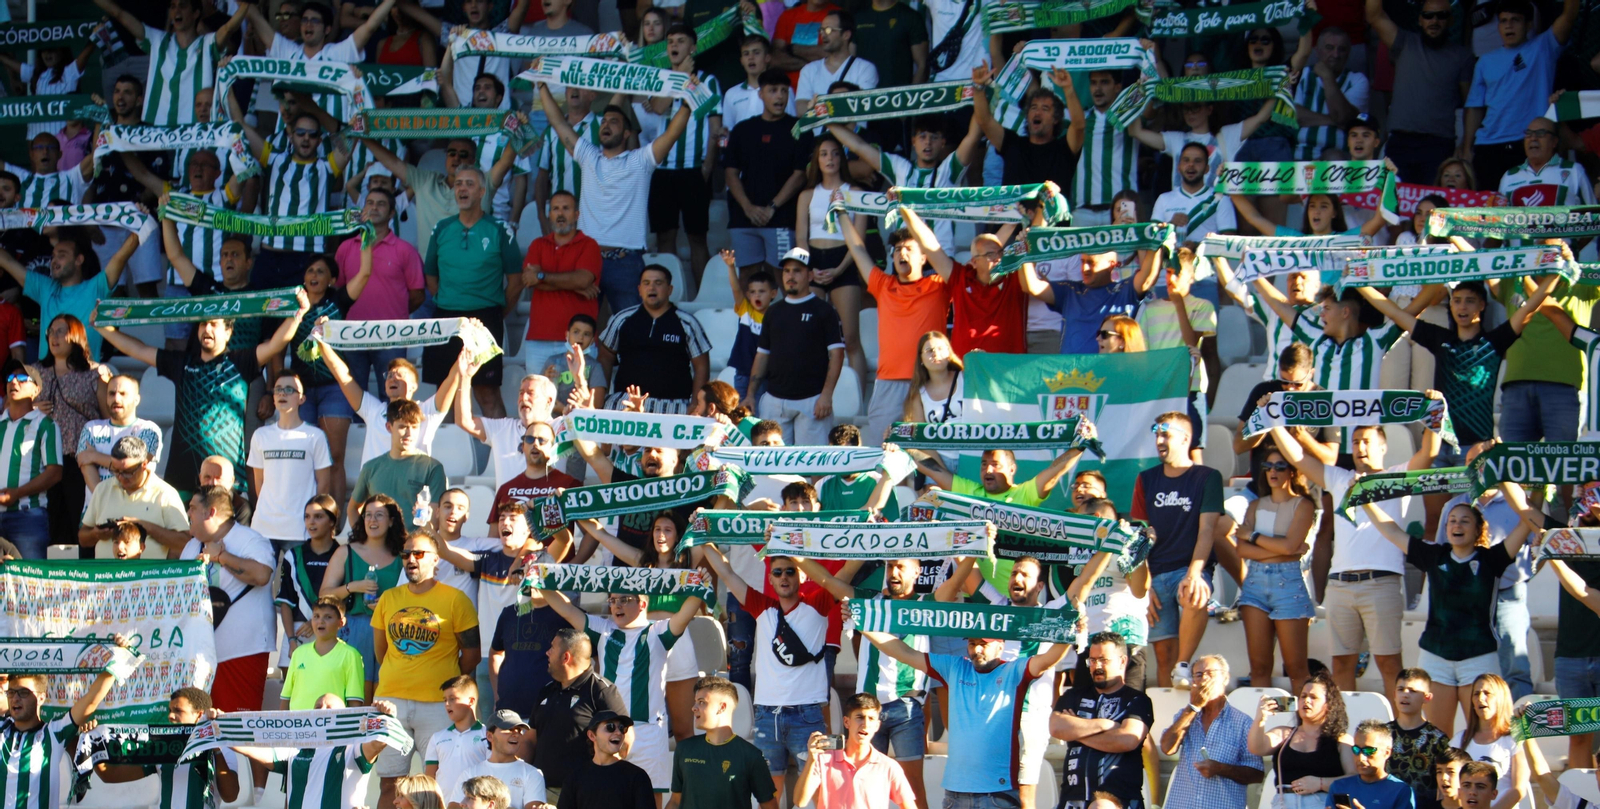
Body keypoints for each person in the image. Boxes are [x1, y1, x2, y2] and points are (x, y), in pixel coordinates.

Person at [1269, 413, 1440, 698]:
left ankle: (1395, 733)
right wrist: (1272, 421)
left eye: (1367, 441)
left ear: (1383, 447)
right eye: (1356, 441)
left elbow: (1429, 452)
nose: (1360, 447)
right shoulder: (1339, 478)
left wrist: (1435, 414)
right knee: (1341, 663)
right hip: (1340, 585)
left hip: (1382, 582)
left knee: (1388, 663)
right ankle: (1344, 735)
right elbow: (1298, 458)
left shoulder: (1397, 477)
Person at [95, 288, 310, 497]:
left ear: (228, 332)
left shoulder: (240, 361)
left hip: (223, 476)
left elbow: (275, 345)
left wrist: (297, 315)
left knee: (223, 532)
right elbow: (138, 350)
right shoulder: (182, 363)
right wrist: (103, 328)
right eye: (203, 324)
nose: (206, 329)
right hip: (182, 473)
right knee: (180, 533)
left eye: (214, 324)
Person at [1364, 485, 1538, 731]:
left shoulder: (1492, 559)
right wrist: (1365, 501)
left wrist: (1533, 492)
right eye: (1452, 521)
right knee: (1438, 737)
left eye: (1465, 521)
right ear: (1446, 528)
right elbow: (1390, 530)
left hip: (1479, 657)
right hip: (1437, 658)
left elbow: (1525, 524)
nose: (1457, 526)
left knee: (1482, 733)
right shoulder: (1434, 556)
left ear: (1478, 529)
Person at [858, 618, 1070, 806]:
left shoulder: (1014, 671)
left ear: (1000, 646)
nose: (976, 649)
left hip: (997, 794)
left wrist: (1071, 633)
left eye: (983, 644)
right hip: (955, 794)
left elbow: (1048, 659)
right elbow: (903, 652)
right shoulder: (955, 666)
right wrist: (862, 624)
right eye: (972, 643)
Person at [533, 574, 703, 795]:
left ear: (642, 604)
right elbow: (565, 608)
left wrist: (700, 583)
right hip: (610, 730)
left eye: (624, 600)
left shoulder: (658, 631)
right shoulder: (603, 629)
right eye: (612, 600)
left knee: (650, 800)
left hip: (649, 732)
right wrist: (537, 579)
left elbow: (689, 610)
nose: (616, 606)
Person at [536, 83, 692, 314]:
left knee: (631, 333)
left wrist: (688, 101)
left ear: (627, 133)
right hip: (587, 259)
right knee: (581, 331)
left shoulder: (640, 161)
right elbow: (559, 123)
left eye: (614, 121)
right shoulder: (589, 157)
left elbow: (672, 133)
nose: (606, 124)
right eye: (604, 121)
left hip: (626, 261)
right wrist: (542, 87)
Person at [698, 543, 835, 797]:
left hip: (808, 716)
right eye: (778, 572)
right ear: (769, 579)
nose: (784, 577)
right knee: (767, 798)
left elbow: (842, 577)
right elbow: (726, 573)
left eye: (790, 571)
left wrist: (794, 551)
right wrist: (703, 539)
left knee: (819, 795)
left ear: (803, 574)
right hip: (766, 716)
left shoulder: (819, 603)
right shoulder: (762, 606)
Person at [371, 532, 482, 809]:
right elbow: (380, 652)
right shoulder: (388, 598)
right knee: (390, 784)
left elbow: (472, 655)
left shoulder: (456, 599)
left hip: (437, 704)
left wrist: (444, 682)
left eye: (418, 554)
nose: (410, 559)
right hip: (390, 703)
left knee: (441, 784)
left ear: (436, 559)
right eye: (406, 554)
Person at [834, 215, 952, 445]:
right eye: (897, 249)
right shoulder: (883, 285)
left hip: (929, 380)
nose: (901, 253)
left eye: (909, 248)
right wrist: (841, 214)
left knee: (928, 453)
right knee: (884, 453)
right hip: (888, 383)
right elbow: (858, 249)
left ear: (924, 257)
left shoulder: (939, 285)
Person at [1128, 411, 1222, 688]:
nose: (1159, 440)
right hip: (1155, 573)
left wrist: (1194, 574)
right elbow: (1139, 536)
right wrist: (1145, 585)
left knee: (1195, 593)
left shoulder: (1208, 477)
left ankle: (1185, 665)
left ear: (1185, 438)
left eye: (1165, 435)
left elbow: (1207, 530)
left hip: (1188, 567)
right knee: (1162, 656)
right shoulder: (1145, 479)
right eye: (1156, 434)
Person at [631, 24, 722, 286]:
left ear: (692, 47)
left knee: (697, 237)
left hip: (694, 168)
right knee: (664, 237)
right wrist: (679, 77)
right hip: (663, 169)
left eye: (681, 41)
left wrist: (707, 166)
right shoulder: (661, 79)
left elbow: (715, 127)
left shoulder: (709, 81)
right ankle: (667, 293)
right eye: (670, 41)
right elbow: (658, 108)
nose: (674, 46)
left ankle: (704, 294)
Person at [0, 634, 130, 809]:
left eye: (23, 693)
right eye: (11, 692)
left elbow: (91, 700)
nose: (15, 699)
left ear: (41, 698)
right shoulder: (2, 730)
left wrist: (120, 656)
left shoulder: (53, 733)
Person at [1463, 0, 1580, 192]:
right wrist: (1467, 147)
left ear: (1529, 25)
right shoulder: (1485, 61)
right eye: (1503, 21)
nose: (1508, 25)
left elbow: (1569, 16)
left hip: (1530, 142)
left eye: (1515, 20)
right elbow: (1475, 107)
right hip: (1488, 145)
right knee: (1489, 212)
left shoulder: (1544, 47)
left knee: (1531, 210)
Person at [1227, 446, 1316, 693]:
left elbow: (1283, 545)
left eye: (1279, 466)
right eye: (1267, 467)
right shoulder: (1255, 505)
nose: (1272, 472)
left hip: (1288, 582)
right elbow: (1243, 551)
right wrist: (1286, 549)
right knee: (1259, 666)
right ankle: (1262, 725)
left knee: (1296, 667)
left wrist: (1254, 536)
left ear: (1292, 471)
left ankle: (1303, 725)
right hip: (1255, 582)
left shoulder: (1303, 505)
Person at [183, 485, 277, 711]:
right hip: (198, 654)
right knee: (199, 725)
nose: (188, 514)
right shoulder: (190, 546)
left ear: (211, 512)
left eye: (193, 508)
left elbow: (262, 575)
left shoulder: (250, 540)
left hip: (241, 651)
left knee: (236, 727)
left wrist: (222, 557)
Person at [1364, 0, 1474, 183]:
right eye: (1428, 15)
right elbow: (1374, 16)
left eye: (1441, 15)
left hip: (1439, 144)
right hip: (1400, 142)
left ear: (1451, 21)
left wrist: (1467, 145)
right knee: (1393, 205)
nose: (1434, 20)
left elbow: (1470, 104)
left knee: (1431, 207)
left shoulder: (1463, 56)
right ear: (1420, 20)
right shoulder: (1404, 42)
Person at [230, 695, 402, 809]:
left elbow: (377, 744)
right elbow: (250, 747)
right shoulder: (295, 748)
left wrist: (387, 716)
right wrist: (219, 731)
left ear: (343, 715)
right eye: (318, 706)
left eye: (329, 707)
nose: (322, 710)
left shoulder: (353, 746)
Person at [746, 249, 844, 445]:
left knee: (812, 468)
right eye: (786, 271)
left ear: (809, 275)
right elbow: (762, 355)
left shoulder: (824, 311)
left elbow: (837, 355)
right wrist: (750, 394)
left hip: (813, 402)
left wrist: (826, 396)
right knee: (774, 469)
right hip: (775, 402)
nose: (790, 276)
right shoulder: (773, 311)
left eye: (797, 271)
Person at [334, 189, 425, 393]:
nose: (374, 207)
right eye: (369, 203)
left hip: (391, 335)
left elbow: (418, 295)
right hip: (352, 334)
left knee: (393, 396)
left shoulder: (405, 250)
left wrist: (394, 311)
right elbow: (338, 290)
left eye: (381, 204)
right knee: (354, 398)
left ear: (392, 213)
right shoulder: (346, 248)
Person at [795, 137, 869, 388]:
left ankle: (858, 396)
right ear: (817, 159)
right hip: (813, 263)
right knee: (811, 337)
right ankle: (812, 390)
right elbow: (800, 237)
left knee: (850, 338)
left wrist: (839, 270)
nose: (830, 159)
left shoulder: (856, 193)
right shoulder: (806, 195)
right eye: (824, 154)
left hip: (844, 261)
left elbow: (858, 240)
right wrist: (809, 269)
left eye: (835, 154)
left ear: (842, 158)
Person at [0, 230, 136, 365]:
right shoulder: (46, 288)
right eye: (53, 256)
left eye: (61, 255)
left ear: (79, 260)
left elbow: (120, 257)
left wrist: (141, 225)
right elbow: (8, 262)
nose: (54, 261)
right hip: (47, 381)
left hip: (85, 379)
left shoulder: (96, 287)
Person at [1051, 631, 1153, 809]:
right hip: (1072, 800)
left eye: (1104, 660)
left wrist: (1076, 732)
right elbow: (1056, 727)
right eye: (1092, 660)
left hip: (1120, 800)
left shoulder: (1137, 700)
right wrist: (1104, 725)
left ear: (1122, 661)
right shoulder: (1073, 696)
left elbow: (1128, 740)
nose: (1096, 666)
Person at [317, 341, 463, 466]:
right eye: (390, 375)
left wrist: (469, 348)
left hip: (412, 495)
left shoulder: (427, 411)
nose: (393, 379)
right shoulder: (373, 410)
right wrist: (322, 343)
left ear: (414, 386)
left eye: (400, 375)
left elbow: (452, 379)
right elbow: (342, 376)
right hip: (376, 497)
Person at [93, 687, 243, 807]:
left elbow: (230, 796)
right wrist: (93, 744)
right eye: (170, 711)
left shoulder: (223, 748)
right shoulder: (162, 746)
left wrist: (214, 746)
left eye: (178, 711)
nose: (170, 716)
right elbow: (110, 775)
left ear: (199, 715)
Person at [320, 493, 406, 701]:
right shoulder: (345, 552)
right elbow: (324, 595)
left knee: (384, 694)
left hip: (391, 630)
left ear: (391, 520)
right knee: (356, 694)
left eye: (379, 515)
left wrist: (387, 605)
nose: (372, 520)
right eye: (368, 515)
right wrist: (352, 587)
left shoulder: (403, 555)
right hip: (357, 629)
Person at [34, 315, 106, 553]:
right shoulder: (34, 372)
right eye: (50, 331)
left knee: (80, 522)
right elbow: (10, 410)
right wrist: (32, 407)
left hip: (81, 460)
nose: (53, 337)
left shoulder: (94, 373)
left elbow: (108, 417)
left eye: (60, 331)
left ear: (75, 336)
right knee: (52, 526)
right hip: (44, 462)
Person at [724, 68, 807, 269]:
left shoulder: (800, 128)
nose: (779, 96)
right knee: (748, 279)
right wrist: (747, 207)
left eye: (784, 91)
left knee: (784, 276)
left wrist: (772, 207)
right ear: (760, 94)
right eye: (773, 90)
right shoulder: (742, 129)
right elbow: (730, 172)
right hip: (743, 218)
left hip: (782, 218)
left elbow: (800, 174)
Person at [530, 629, 629, 796]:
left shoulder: (601, 691)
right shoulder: (547, 691)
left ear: (566, 657)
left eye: (552, 648)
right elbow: (529, 741)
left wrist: (603, 781)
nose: (547, 652)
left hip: (584, 793)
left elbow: (625, 740)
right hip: (541, 792)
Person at [1159, 654, 1265, 809]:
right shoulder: (1185, 715)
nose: (1204, 679)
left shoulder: (1242, 722)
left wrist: (1221, 769)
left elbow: (1257, 773)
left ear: (1225, 678)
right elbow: (1167, 748)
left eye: (1210, 674)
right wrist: (1193, 707)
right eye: (1199, 675)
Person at [248, 370, 334, 548]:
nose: (282, 393)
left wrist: (311, 521)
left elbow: (323, 484)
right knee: (263, 577)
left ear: (301, 398)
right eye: (278, 389)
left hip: (299, 530)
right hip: (263, 528)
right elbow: (259, 483)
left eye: (289, 389)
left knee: (294, 577)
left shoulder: (315, 436)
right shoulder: (260, 435)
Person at [1245, 672, 1355, 809]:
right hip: (1285, 802)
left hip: (1321, 802)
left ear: (1329, 704)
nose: (1306, 701)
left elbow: (1354, 779)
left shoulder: (1340, 739)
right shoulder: (1284, 733)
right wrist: (1260, 719)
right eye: (1303, 696)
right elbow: (1256, 748)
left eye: (1313, 697)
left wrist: (1321, 783)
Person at [793, 693, 918, 809]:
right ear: (847, 722)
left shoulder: (888, 766)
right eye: (860, 717)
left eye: (871, 719)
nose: (865, 724)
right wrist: (812, 759)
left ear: (877, 725)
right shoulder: (824, 759)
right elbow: (800, 801)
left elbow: (909, 805)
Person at [671, 676, 778, 809]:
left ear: (722, 707)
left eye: (701, 702)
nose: (694, 708)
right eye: (695, 702)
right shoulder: (684, 749)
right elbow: (675, 802)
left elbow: (769, 806)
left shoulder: (751, 756)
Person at [521, 191, 601, 365]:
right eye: (555, 209)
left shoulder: (590, 245)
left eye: (566, 208)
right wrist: (573, 285)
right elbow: (528, 279)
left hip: (580, 340)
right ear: (550, 215)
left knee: (578, 393)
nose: (560, 214)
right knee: (537, 392)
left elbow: (582, 280)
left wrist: (542, 276)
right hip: (539, 339)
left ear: (576, 215)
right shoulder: (538, 245)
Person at [77, 435, 189, 559]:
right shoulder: (102, 489)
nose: (120, 477)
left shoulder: (165, 493)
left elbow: (184, 542)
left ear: (144, 464)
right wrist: (96, 534)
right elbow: (83, 538)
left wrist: (144, 527)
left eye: (128, 472)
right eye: (115, 470)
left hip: (149, 577)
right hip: (106, 576)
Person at [971, 65, 1078, 189]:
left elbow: (1079, 126)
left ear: (1056, 118)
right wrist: (978, 88)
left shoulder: (1064, 149)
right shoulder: (1012, 144)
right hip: (1013, 209)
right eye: (1033, 108)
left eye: (1045, 109)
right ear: (1027, 116)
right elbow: (985, 121)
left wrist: (1068, 89)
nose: (1037, 113)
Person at [350, 399, 447, 531]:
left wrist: (413, 543)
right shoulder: (371, 467)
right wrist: (364, 539)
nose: (409, 433)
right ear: (389, 427)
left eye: (414, 427)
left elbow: (435, 519)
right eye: (402, 427)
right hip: (380, 548)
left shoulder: (432, 468)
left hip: (413, 547)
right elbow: (352, 508)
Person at [0, 360, 61, 558]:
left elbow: (55, 473)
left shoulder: (46, 425)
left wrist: (18, 493)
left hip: (28, 516)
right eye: (10, 378)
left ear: (36, 390)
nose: (14, 382)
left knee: (31, 581)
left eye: (22, 378)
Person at [457, 369, 559, 487]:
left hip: (547, 505)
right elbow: (464, 420)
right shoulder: (503, 428)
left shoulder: (561, 427)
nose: (523, 398)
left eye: (530, 393)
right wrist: (465, 378)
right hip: (508, 505)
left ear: (548, 401)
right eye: (521, 393)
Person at [276, 498, 342, 663]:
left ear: (332, 521)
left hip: (334, 630)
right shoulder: (293, 555)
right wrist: (291, 640)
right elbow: (286, 602)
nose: (311, 522)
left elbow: (344, 599)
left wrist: (317, 620)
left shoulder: (343, 554)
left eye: (318, 516)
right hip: (299, 632)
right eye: (307, 516)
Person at [1455, 674, 1529, 808]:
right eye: (1476, 694)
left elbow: (1519, 789)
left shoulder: (1514, 739)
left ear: (1501, 699)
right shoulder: (1459, 740)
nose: (1480, 698)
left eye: (1487, 693)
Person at [446, 710, 546, 808]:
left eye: (519, 730)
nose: (516, 734)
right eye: (508, 729)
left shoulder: (533, 774)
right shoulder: (470, 773)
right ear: (489, 736)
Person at [279, 596, 366, 709]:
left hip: (332, 725)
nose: (321, 621)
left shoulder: (351, 655)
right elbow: (286, 698)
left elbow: (355, 703)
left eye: (328, 617)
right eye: (316, 616)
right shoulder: (298, 653)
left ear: (341, 622)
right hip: (299, 725)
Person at [560, 711, 656, 809]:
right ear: (592, 735)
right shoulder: (574, 778)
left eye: (622, 728)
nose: (618, 732)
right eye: (610, 727)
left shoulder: (637, 776)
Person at [486, 421, 581, 519]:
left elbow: (592, 531)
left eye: (542, 440)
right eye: (529, 439)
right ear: (523, 447)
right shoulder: (505, 489)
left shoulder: (569, 485)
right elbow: (493, 534)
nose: (535, 444)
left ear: (553, 447)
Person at [1388, 669, 1453, 809]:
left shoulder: (1438, 739)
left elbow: (1444, 783)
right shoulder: (1382, 734)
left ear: (1427, 697)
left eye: (1413, 691)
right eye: (1401, 689)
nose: (1405, 694)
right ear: (1394, 694)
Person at [1500, 116, 1596, 207]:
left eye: (1540, 133)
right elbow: (1499, 218)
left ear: (1554, 141)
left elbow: (1593, 216)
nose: (1533, 138)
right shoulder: (1509, 176)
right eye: (1528, 133)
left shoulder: (1574, 171)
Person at [794, 11, 877, 113]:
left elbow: (862, 106)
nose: (823, 35)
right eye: (821, 30)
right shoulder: (809, 70)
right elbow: (801, 109)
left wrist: (818, 107)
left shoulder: (865, 68)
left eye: (829, 30)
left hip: (850, 129)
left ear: (846, 35)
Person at [1325, 721, 1416, 809]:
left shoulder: (1400, 791)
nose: (1361, 758)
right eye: (1356, 750)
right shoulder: (1339, 787)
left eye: (1368, 751)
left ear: (1387, 753)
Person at [424, 675, 488, 798]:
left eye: (452, 699)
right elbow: (429, 779)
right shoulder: (437, 738)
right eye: (445, 700)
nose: (447, 704)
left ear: (471, 701)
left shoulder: (488, 736)